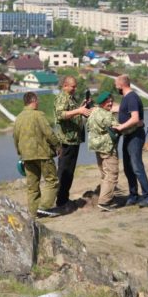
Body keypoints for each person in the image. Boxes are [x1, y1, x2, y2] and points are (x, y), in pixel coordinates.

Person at [13, 92, 61, 218]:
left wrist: (20, 153)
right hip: (42, 154)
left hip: (26, 156)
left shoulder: (18, 118)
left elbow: (15, 138)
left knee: (32, 186)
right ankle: (44, 207)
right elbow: (49, 133)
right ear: (33, 100)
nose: (38, 102)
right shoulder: (38, 115)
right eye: (37, 100)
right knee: (52, 181)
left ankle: (33, 214)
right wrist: (57, 145)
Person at [113, 74, 148, 208]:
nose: (115, 87)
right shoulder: (127, 98)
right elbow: (119, 109)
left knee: (136, 166)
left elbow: (135, 118)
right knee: (127, 167)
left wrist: (120, 127)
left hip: (135, 136)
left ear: (121, 85)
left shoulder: (131, 97)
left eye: (116, 85)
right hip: (129, 135)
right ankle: (133, 195)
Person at [53, 76, 92, 211]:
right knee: (64, 172)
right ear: (65, 86)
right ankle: (61, 202)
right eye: (73, 86)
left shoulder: (70, 98)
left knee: (69, 172)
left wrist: (82, 107)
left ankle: (63, 199)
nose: (75, 89)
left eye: (75, 86)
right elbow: (60, 114)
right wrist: (78, 111)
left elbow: (73, 114)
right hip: (66, 141)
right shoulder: (62, 97)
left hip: (73, 139)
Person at [86, 91, 120, 211]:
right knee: (112, 173)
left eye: (111, 101)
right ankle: (104, 202)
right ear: (102, 103)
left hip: (97, 146)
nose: (110, 103)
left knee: (105, 173)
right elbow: (118, 128)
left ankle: (105, 196)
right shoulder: (107, 115)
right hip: (107, 148)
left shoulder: (94, 112)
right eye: (108, 101)